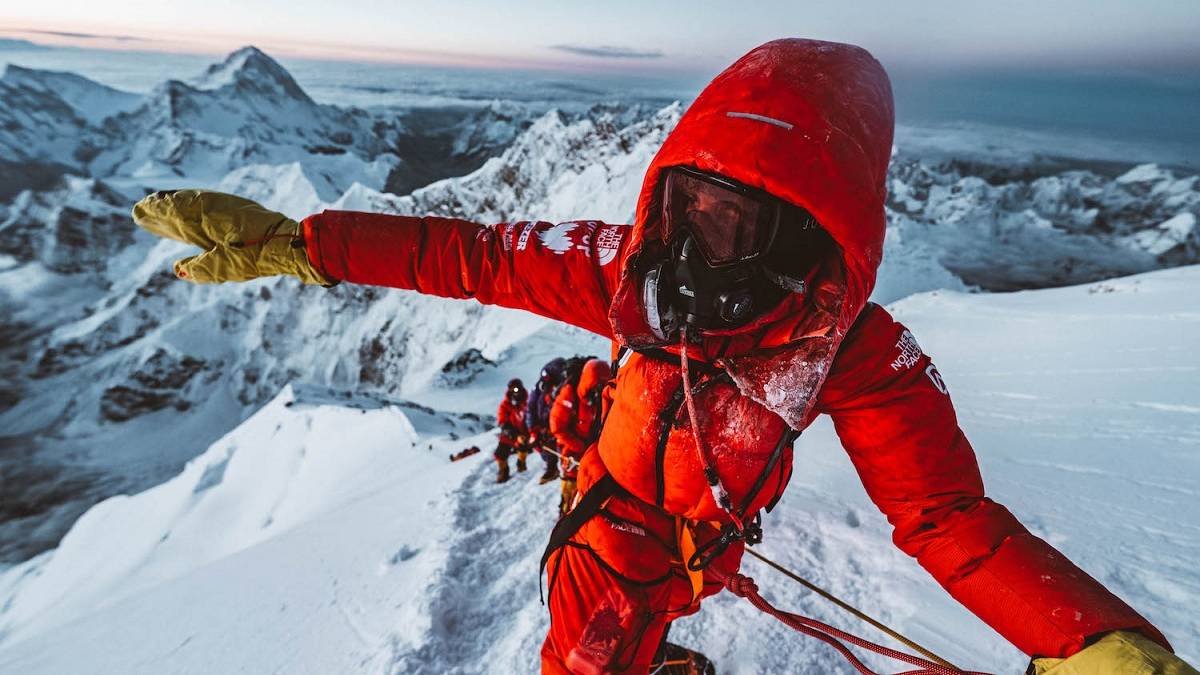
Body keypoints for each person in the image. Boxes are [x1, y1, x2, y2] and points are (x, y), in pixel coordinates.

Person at [131, 38, 1195, 675]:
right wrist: (304, 245)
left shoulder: (856, 355)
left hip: (696, 543)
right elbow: (468, 253)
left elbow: (950, 522)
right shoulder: (624, 273)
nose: (689, 254)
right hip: (604, 533)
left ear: (815, 239)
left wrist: (1086, 639)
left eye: (733, 224)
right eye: (685, 208)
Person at [548, 358, 610, 515]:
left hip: (593, 452)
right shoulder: (569, 394)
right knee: (569, 490)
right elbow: (557, 428)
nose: (598, 390)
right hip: (572, 454)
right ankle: (565, 517)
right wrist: (581, 448)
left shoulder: (602, 399)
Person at [527, 358, 566, 484]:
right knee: (544, 444)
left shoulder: (564, 387)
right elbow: (531, 407)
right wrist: (533, 428)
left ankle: (560, 470)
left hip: (558, 422)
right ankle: (553, 468)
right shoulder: (540, 389)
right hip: (546, 423)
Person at [494, 378, 529, 483]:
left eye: (517, 389)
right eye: (513, 389)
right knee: (500, 454)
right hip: (509, 433)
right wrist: (510, 432)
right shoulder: (505, 405)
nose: (515, 391)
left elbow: (531, 417)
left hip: (524, 433)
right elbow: (502, 420)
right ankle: (503, 470)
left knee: (523, 447)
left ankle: (521, 462)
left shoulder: (527, 403)